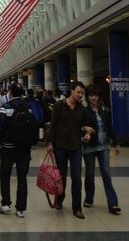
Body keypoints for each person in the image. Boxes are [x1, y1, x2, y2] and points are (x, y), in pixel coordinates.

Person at [46, 81, 94, 219]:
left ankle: (77, 208)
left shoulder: (82, 109)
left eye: (82, 93)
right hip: (60, 147)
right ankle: (59, 199)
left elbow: (86, 126)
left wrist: (87, 134)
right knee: (61, 177)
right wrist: (49, 143)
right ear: (72, 91)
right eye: (78, 92)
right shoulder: (59, 105)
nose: (80, 95)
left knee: (77, 177)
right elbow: (53, 125)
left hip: (76, 147)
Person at [0, 82, 34, 218]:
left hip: (8, 148)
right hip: (24, 148)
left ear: (10, 92)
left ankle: (6, 204)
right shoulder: (28, 107)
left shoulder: (5, 108)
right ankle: (21, 208)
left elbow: (0, 126)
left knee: (5, 175)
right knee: (22, 178)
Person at [82, 85, 121, 214]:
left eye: (96, 95)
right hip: (89, 146)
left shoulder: (103, 110)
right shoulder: (84, 111)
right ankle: (89, 198)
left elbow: (109, 126)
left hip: (103, 145)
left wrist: (116, 143)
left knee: (106, 173)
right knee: (90, 174)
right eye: (91, 95)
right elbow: (80, 126)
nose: (94, 97)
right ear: (87, 97)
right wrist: (85, 131)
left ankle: (113, 203)